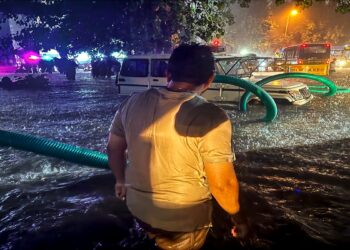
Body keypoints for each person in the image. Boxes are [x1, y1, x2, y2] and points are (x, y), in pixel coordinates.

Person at [107, 44, 247, 249]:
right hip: (181, 221)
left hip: (138, 208)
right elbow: (222, 185)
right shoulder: (211, 116)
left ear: (167, 73)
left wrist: (121, 180)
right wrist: (238, 218)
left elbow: (113, 148)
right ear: (210, 79)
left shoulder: (131, 103)